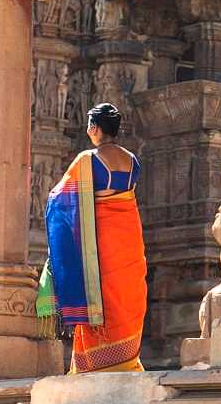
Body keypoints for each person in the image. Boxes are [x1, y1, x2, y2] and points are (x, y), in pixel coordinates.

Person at [37, 102, 148, 373]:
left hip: (101, 245)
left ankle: (94, 365)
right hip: (129, 241)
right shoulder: (132, 160)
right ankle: (126, 360)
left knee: (100, 297)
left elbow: (59, 200)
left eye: (89, 125)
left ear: (95, 128)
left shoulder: (88, 160)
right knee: (125, 297)